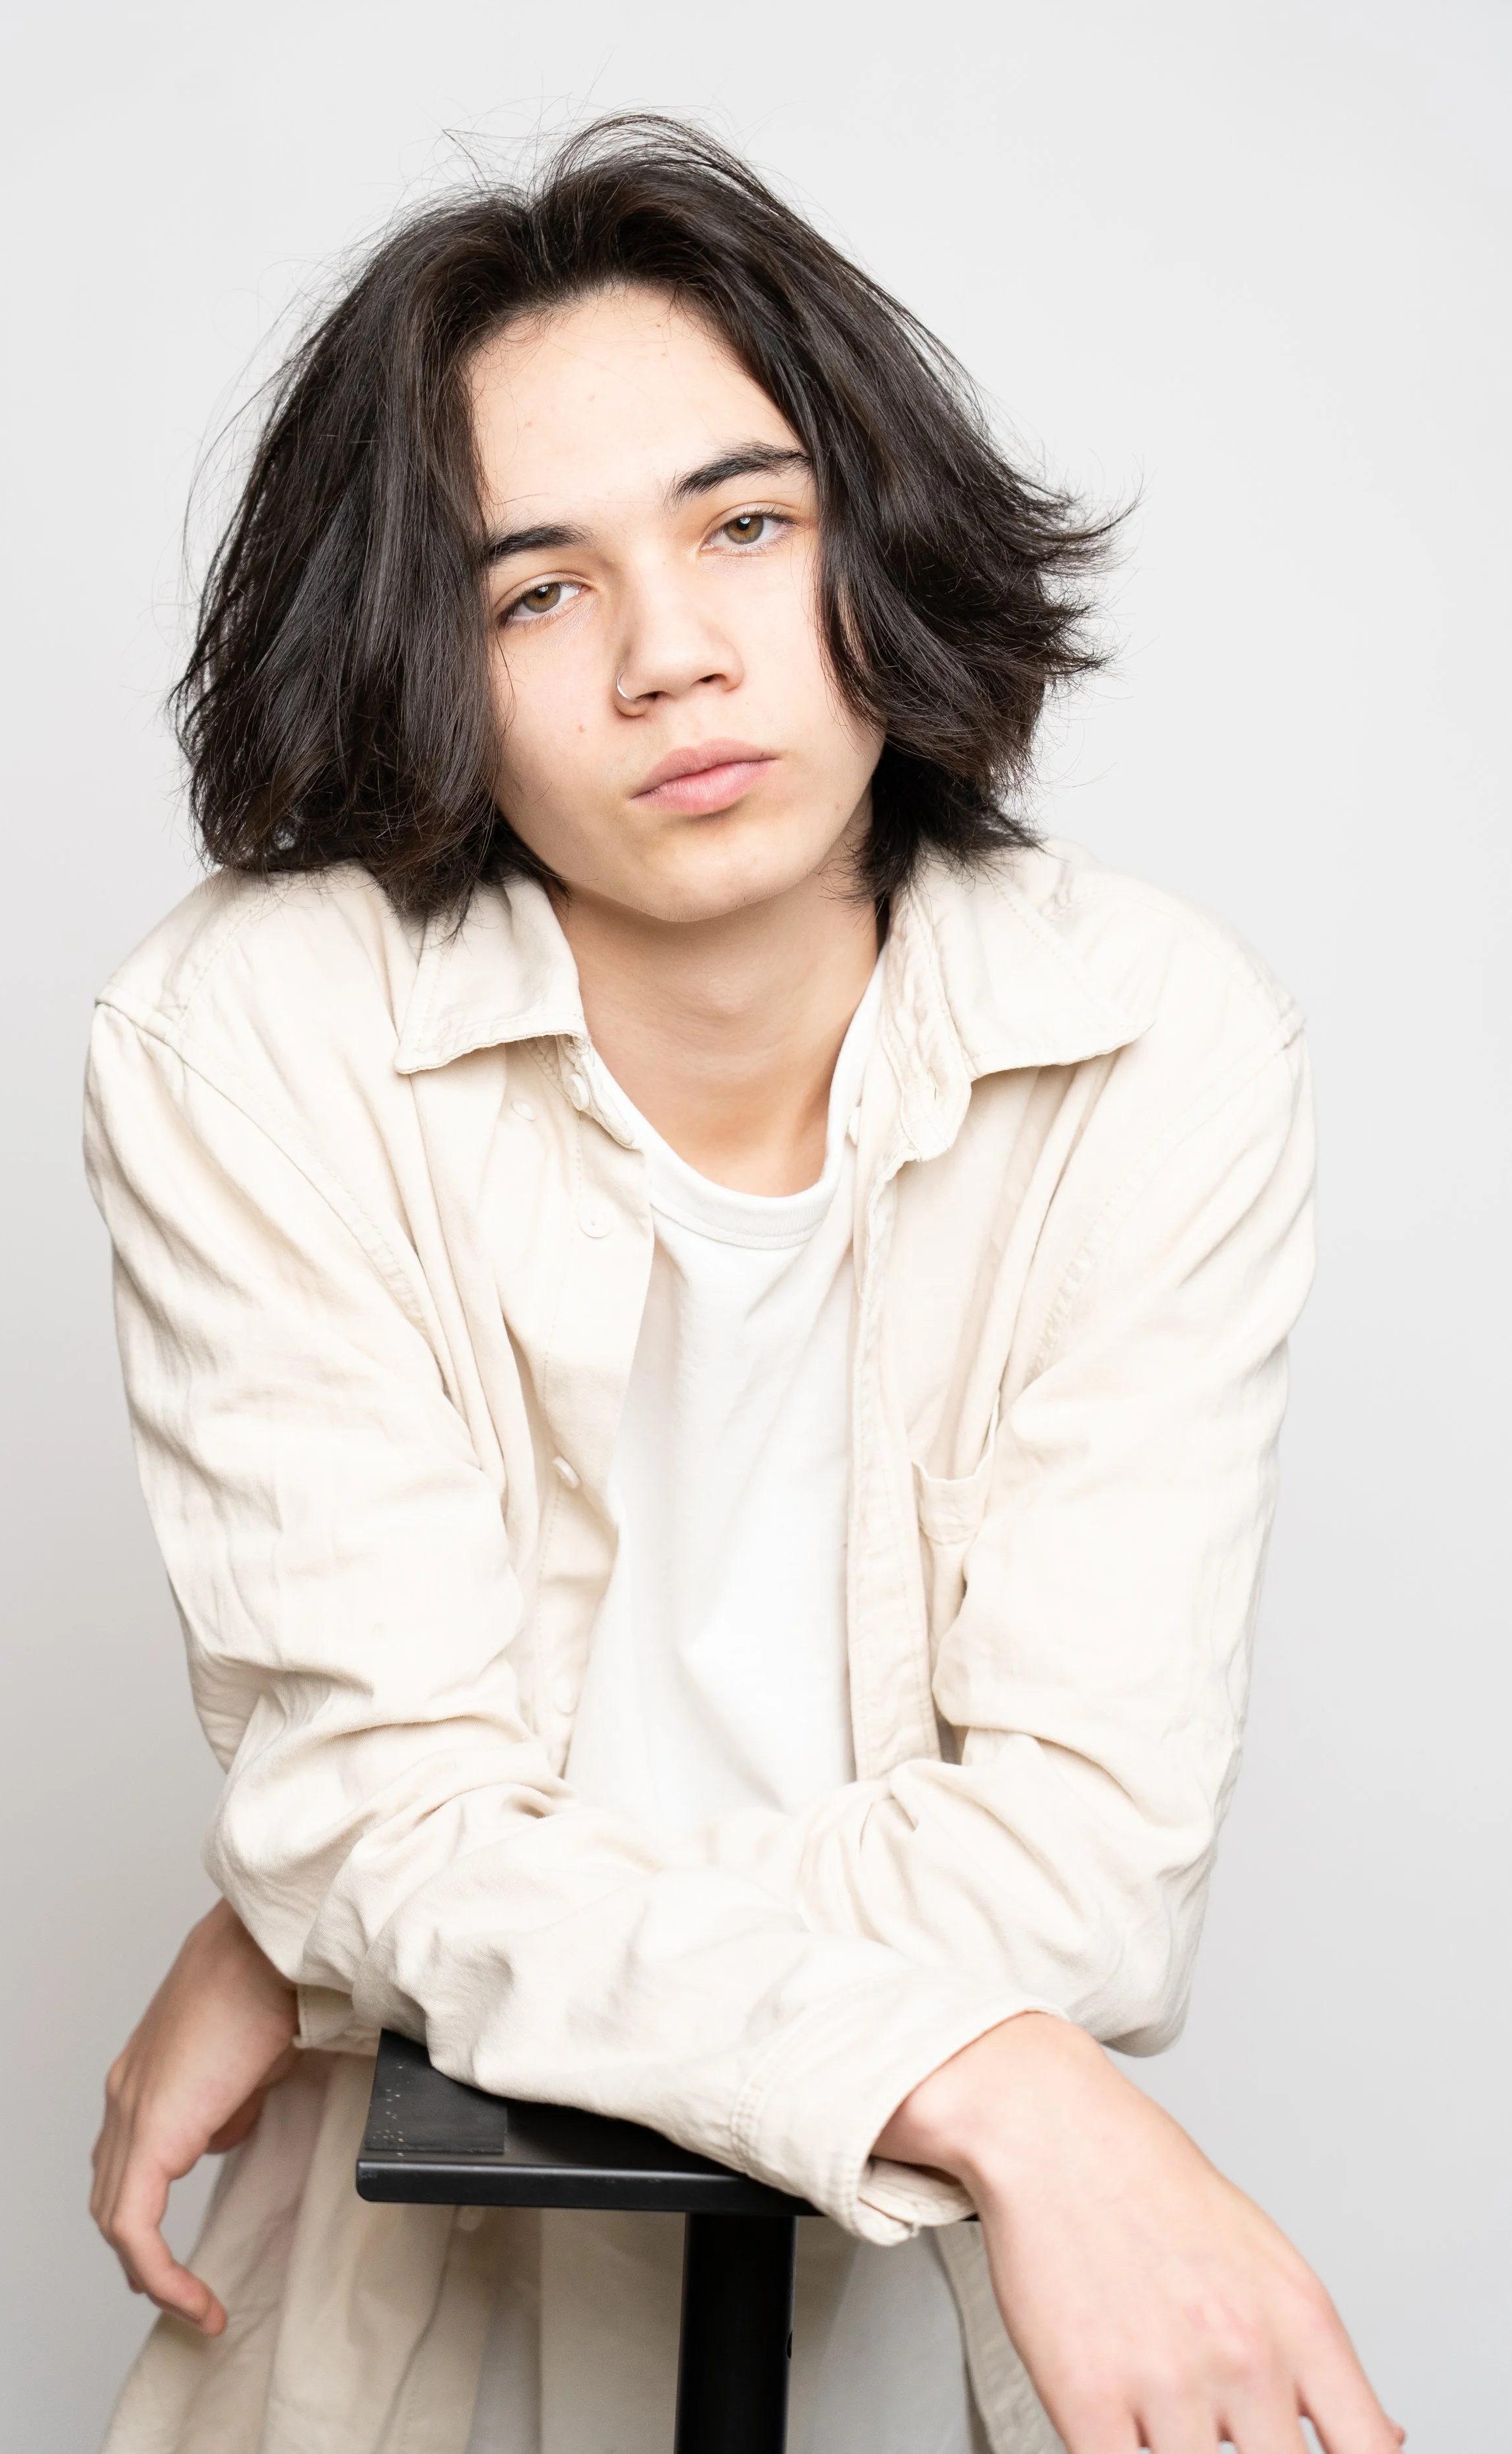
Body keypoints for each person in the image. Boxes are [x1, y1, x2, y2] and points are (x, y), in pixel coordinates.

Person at [84, 116, 1401, 2454]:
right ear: (426, 658)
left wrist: (357, 1926)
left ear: (869, 535)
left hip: (934, 2272)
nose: (673, 656)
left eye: (743, 524)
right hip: (436, 2250)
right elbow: (388, 1831)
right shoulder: (254, 1035)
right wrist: (984, 2061)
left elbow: (1085, 1877)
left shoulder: (1153, 1036)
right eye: (535, 591)